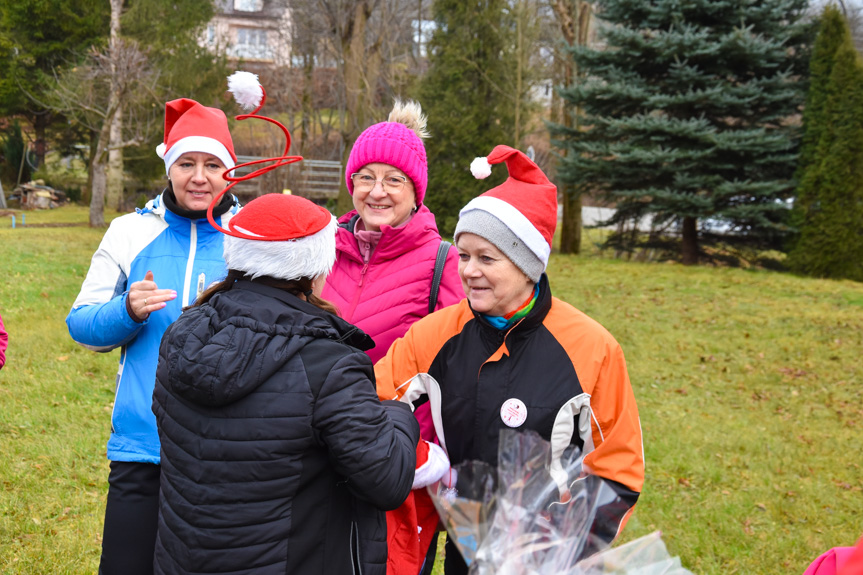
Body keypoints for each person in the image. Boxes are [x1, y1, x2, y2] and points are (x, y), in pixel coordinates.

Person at [375, 145, 646, 574]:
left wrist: (560, 538)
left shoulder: (592, 348)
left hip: (548, 555)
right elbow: (369, 405)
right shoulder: (436, 334)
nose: (468, 271)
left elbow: (619, 466)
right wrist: (423, 459)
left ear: (527, 265)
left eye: (487, 258)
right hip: (467, 546)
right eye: (463, 256)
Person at [151, 193, 420, 575]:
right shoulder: (331, 366)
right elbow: (387, 481)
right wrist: (397, 415)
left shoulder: (183, 333)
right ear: (313, 270)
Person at [66, 96, 241, 575]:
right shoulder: (128, 232)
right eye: (186, 163)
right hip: (143, 448)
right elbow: (81, 323)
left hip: (224, 453)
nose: (199, 177)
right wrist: (126, 310)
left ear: (232, 172)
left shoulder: (250, 240)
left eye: (212, 164)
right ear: (169, 166)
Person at [321, 99, 464, 574]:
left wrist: (425, 453)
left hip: (399, 465)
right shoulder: (321, 253)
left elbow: (459, 371)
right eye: (366, 177)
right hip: (318, 454)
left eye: (393, 180)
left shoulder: (444, 265)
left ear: (415, 190)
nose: (377, 192)